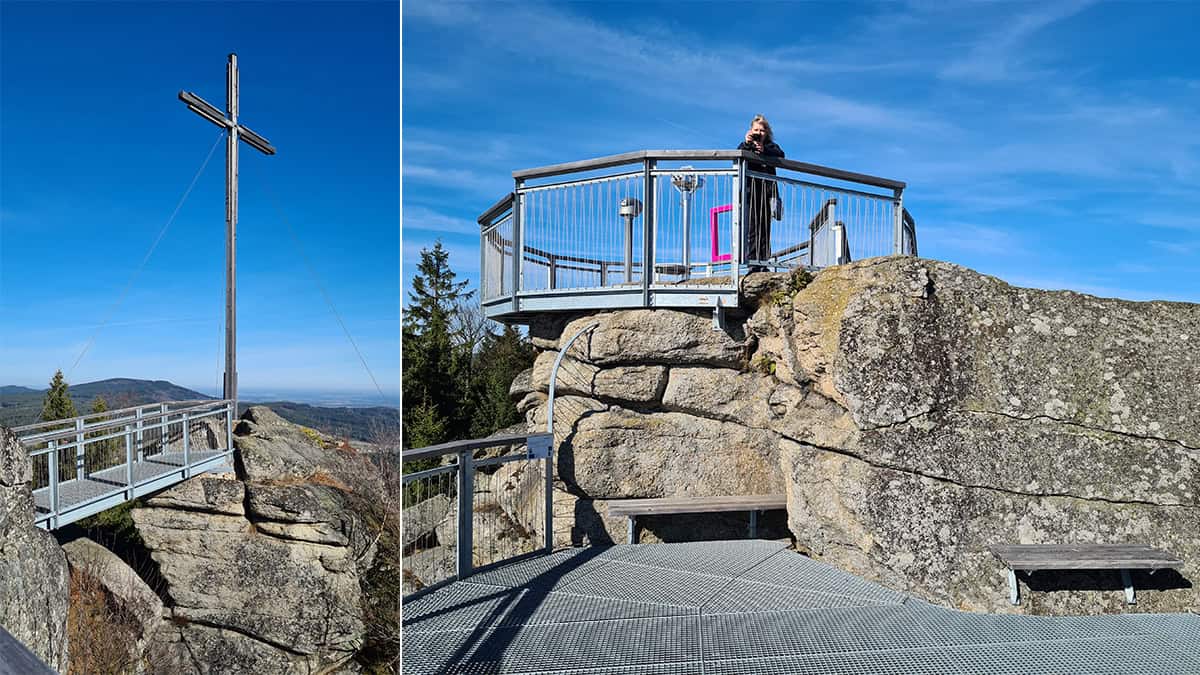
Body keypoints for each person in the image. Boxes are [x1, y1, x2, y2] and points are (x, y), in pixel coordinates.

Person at [737, 115, 785, 272]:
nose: (759, 133)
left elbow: (780, 154)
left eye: (762, 130)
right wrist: (747, 143)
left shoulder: (771, 147)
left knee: (765, 229)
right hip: (751, 193)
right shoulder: (747, 145)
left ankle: (763, 262)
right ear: (751, 131)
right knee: (752, 229)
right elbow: (738, 153)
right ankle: (753, 263)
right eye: (756, 130)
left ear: (767, 132)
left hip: (767, 192)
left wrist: (764, 150)